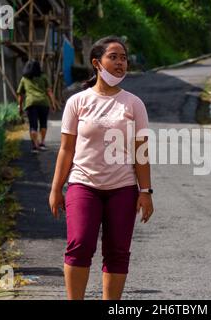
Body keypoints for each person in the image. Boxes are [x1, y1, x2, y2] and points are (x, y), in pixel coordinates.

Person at [49, 36, 154, 300]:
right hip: (83, 184)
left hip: (123, 189)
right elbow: (66, 149)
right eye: (114, 57)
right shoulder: (77, 102)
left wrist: (146, 191)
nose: (120, 63)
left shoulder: (134, 104)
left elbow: (141, 152)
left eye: (124, 58)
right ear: (97, 63)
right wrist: (56, 188)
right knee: (80, 245)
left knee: (118, 251)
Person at [17, 59, 57, 153]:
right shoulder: (43, 77)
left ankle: (35, 146)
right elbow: (49, 91)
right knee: (43, 124)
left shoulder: (24, 78)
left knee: (33, 125)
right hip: (43, 102)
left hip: (31, 103)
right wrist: (53, 103)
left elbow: (20, 94)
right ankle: (42, 143)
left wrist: (20, 106)